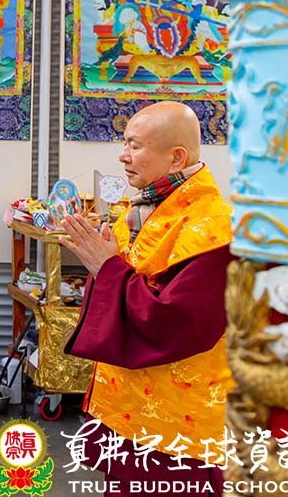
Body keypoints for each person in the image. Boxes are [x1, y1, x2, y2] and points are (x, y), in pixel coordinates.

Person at [58, 101, 234, 488]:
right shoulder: (144, 209)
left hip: (176, 423)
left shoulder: (214, 228)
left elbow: (176, 325)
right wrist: (104, 266)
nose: (123, 155)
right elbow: (128, 282)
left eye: (134, 145)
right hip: (131, 405)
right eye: (125, 143)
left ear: (176, 158)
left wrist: (107, 268)